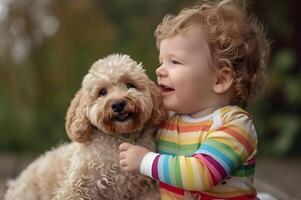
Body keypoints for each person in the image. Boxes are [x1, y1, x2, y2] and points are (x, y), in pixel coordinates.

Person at [119, 0, 270, 199]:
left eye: (175, 61)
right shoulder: (167, 120)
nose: (159, 70)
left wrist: (145, 161)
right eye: (161, 61)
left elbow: (202, 173)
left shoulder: (234, 125)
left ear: (220, 79)